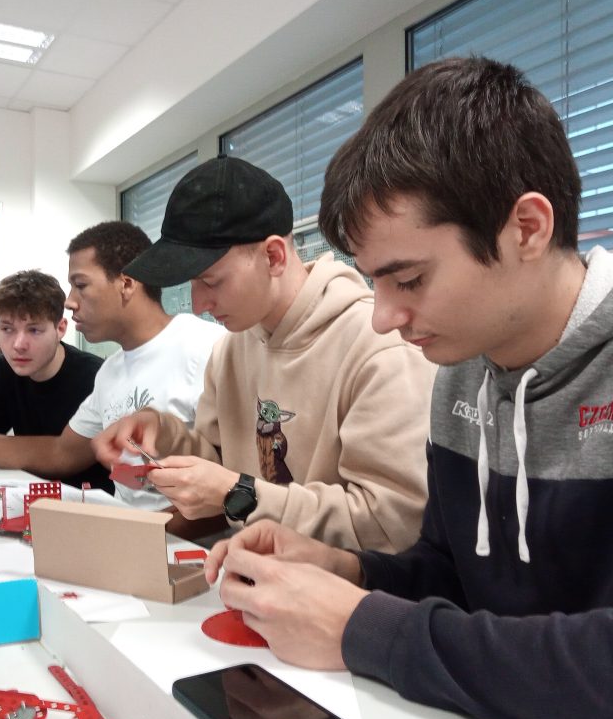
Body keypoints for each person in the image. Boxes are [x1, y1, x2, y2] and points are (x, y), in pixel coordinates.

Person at [204, 57, 613, 719]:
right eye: (374, 282)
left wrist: (364, 629)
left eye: (409, 279)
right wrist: (351, 571)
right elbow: (457, 579)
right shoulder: (464, 370)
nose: (382, 318)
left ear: (527, 228)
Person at [95, 156, 433, 552]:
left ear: (273, 256)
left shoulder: (378, 348)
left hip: (343, 589)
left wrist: (240, 495)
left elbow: (392, 525)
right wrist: (164, 433)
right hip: (247, 576)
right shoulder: (230, 351)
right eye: (191, 284)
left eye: (210, 281)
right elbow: (222, 471)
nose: (199, 304)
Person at [0, 222, 226, 510]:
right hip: (128, 534)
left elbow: (231, 485)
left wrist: (139, 533)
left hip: (178, 547)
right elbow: (61, 452)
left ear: (127, 283)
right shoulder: (112, 372)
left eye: (80, 285)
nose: (70, 303)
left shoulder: (207, 349)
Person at [0, 270, 108, 489]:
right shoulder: (7, 372)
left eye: (34, 330)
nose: (18, 345)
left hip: (88, 503)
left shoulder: (94, 377)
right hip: (28, 498)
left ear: (60, 329)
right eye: (7, 329)